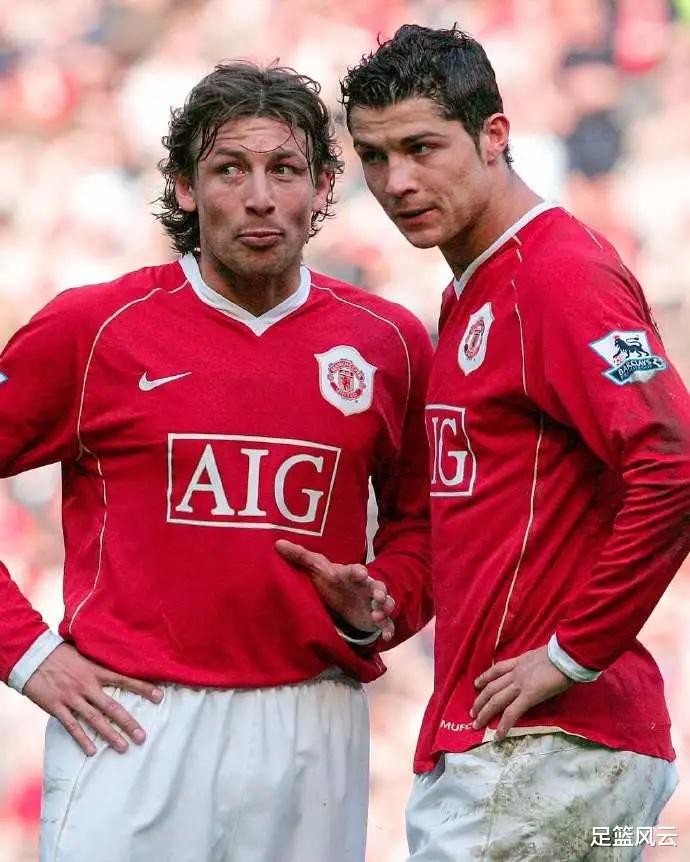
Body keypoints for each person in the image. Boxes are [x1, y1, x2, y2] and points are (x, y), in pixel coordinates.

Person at [0, 61, 434, 862]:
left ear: (323, 186)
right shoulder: (95, 328)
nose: (260, 197)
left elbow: (427, 526)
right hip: (133, 720)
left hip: (315, 724)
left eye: (285, 169)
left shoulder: (390, 343)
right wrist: (26, 654)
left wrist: (380, 603)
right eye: (230, 168)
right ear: (185, 187)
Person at [298, 24, 690, 860]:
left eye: (421, 148)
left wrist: (573, 654)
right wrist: (387, 600)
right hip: (536, 747)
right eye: (375, 157)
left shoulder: (557, 274)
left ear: (494, 135)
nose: (397, 181)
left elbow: (673, 463)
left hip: (543, 745)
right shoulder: (473, 293)